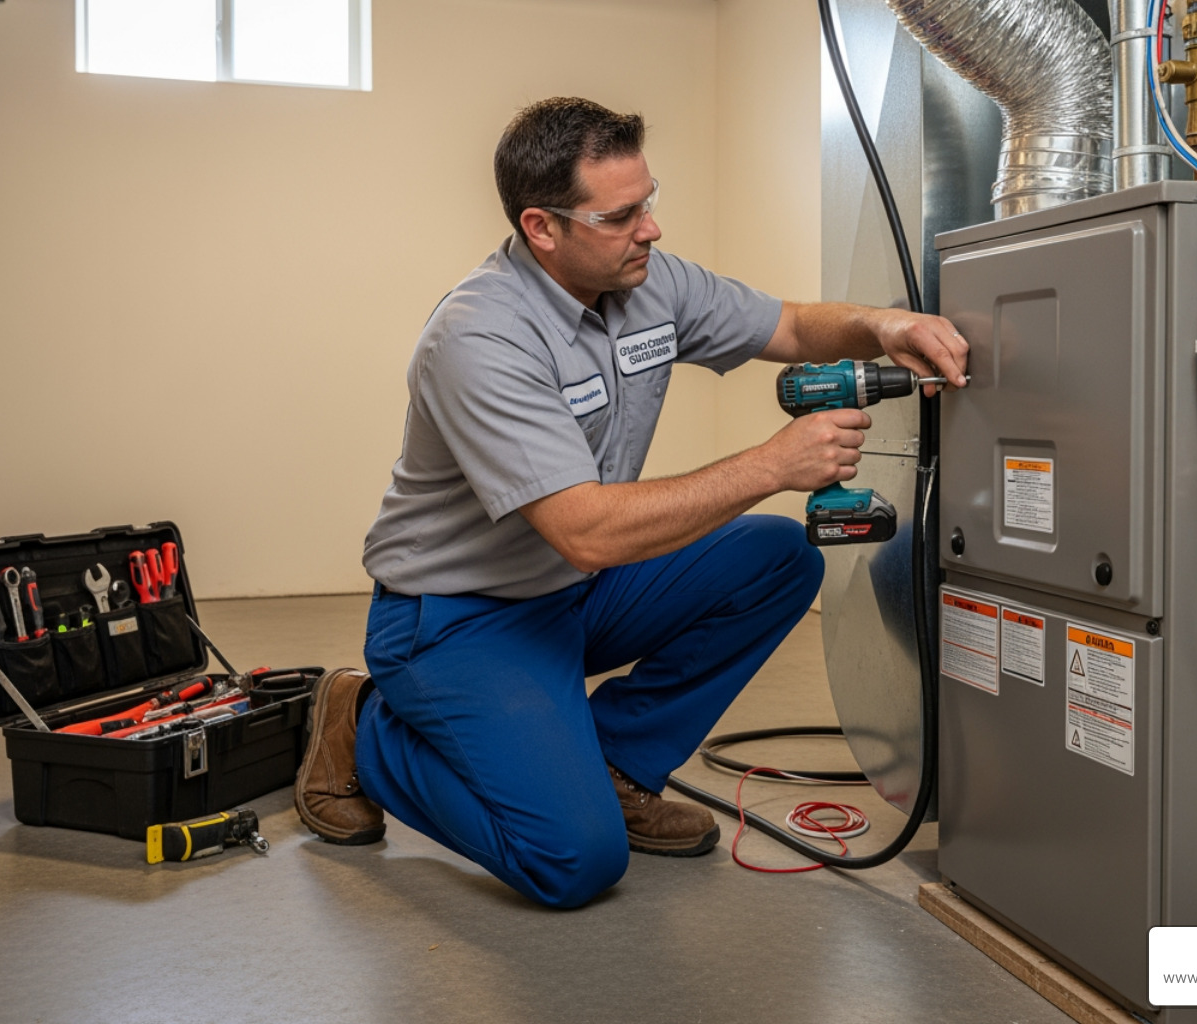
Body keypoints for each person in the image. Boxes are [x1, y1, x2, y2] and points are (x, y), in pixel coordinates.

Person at [294, 97, 967, 908]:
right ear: (542, 228)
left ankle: (613, 763)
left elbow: (787, 327)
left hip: (570, 595)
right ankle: (363, 727)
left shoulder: (650, 281)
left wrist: (883, 323)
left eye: (649, 201)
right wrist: (771, 464)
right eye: (621, 215)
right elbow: (584, 532)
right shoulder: (480, 337)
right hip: (456, 618)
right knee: (572, 862)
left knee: (777, 558)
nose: (649, 228)